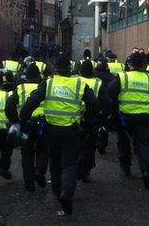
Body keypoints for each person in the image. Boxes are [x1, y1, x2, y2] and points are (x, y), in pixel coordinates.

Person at [20, 55, 100, 216]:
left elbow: (32, 101)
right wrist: (87, 120)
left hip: (51, 130)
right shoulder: (79, 84)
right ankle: (67, 192)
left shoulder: (48, 83)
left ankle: (57, 191)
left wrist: (23, 118)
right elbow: (94, 104)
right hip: (72, 130)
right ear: (70, 70)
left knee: (55, 162)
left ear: (55, 69)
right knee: (70, 164)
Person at [108, 53, 149, 189]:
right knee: (144, 144)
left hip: (125, 116)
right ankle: (146, 171)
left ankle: (126, 167)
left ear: (130, 65)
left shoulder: (122, 76)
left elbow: (110, 90)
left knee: (123, 142)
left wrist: (117, 103)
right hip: (144, 116)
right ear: (143, 64)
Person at [14, 64, 49, 191]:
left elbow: (10, 106)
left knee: (26, 151)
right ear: (39, 76)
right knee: (42, 148)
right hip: (42, 124)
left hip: (26, 124)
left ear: (26, 76)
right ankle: (40, 172)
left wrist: (15, 120)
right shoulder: (44, 87)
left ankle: (29, 183)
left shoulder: (20, 88)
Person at [77, 60, 112, 182]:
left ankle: (76, 166)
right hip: (92, 118)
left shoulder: (75, 81)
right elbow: (107, 102)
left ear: (80, 71)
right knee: (90, 146)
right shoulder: (98, 83)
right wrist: (104, 116)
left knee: (77, 144)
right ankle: (86, 172)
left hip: (76, 117)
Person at [94, 57, 116, 154]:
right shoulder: (111, 77)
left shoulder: (93, 75)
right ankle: (102, 143)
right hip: (106, 104)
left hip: (93, 103)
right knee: (104, 125)